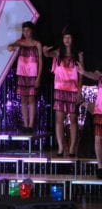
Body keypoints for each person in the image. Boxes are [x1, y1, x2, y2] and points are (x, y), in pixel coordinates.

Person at [43, 26, 83, 157]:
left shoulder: (78, 54)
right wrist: (44, 52)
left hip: (73, 89)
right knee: (59, 120)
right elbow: (47, 54)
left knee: (73, 119)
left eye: (69, 37)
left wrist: (79, 91)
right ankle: (60, 147)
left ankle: (71, 148)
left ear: (73, 39)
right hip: (59, 89)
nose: (67, 39)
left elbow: (81, 74)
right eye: (65, 37)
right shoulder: (58, 52)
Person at [7, 21, 43, 133]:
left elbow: (41, 61)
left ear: (32, 31)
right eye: (24, 30)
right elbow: (12, 46)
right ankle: (25, 124)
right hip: (22, 74)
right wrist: (11, 46)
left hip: (33, 74)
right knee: (23, 99)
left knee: (31, 99)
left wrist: (38, 77)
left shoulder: (37, 44)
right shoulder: (20, 42)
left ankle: (31, 125)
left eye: (28, 30)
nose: (26, 32)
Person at [77, 63, 102, 178]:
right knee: (98, 139)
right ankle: (100, 167)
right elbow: (96, 75)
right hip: (99, 110)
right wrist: (84, 72)